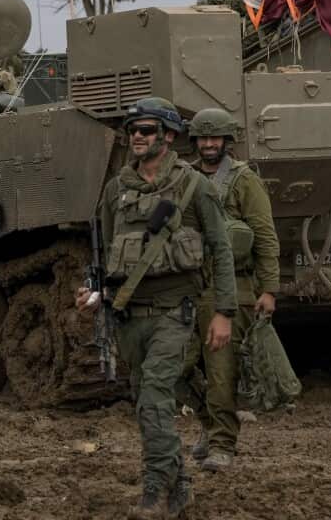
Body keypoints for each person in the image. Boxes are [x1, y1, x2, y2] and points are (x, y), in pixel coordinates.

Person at [74, 97, 236, 519]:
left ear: (167, 135)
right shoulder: (117, 189)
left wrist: (224, 312)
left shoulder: (193, 186)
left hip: (173, 312)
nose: (137, 137)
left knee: (154, 399)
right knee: (147, 401)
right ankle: (179, 483)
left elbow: (220, 250)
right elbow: (109, 255)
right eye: (132, 131)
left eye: (146, 130)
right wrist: (95, 294)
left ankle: (154, 493)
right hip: (130, 317)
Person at [183, 107, 281, 472]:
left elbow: (266, 237)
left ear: (227, 140)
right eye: (203, 138)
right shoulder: (186, 178)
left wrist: (269, 289)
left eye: (215, 138)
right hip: (187, 287)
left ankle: (223, 443)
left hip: (231, 287)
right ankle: (211, 424)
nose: (209, 144)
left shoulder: (243, 181)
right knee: (176, 367)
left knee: (221, 372)